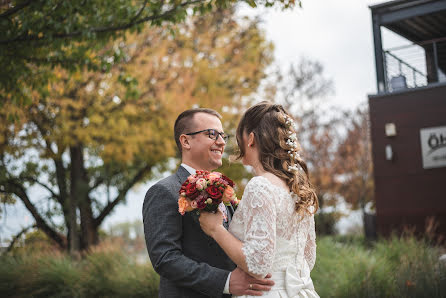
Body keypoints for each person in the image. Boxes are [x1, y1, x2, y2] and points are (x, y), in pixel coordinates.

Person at [142, 108, 274, 298]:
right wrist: (226, 282)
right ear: (186, 141)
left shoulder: (226, 192)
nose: (221, 142)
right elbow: (165, 258)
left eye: (222, 135)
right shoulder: (164, 191)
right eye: (212, 134)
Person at [199, 102, 320, 298]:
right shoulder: (299, 188)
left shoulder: (260, 186)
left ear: (251, 139)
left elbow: (258, 264)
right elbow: (308, 258)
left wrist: (215, 229)